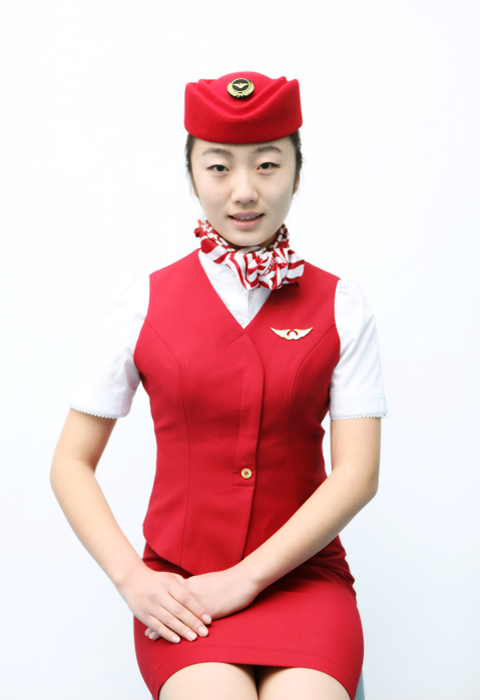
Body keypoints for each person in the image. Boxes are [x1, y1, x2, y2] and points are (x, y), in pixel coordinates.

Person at [51, 71, 388, 700]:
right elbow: (71, 462)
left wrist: (244, 580)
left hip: (303, 581)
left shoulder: (342, 303)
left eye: (267, 165)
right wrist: (133, 580)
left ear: (297, 171)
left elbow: (357, 474)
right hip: (181, 584)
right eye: (218, 167)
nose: (244, 191)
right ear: (192, 174)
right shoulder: (140, 301)